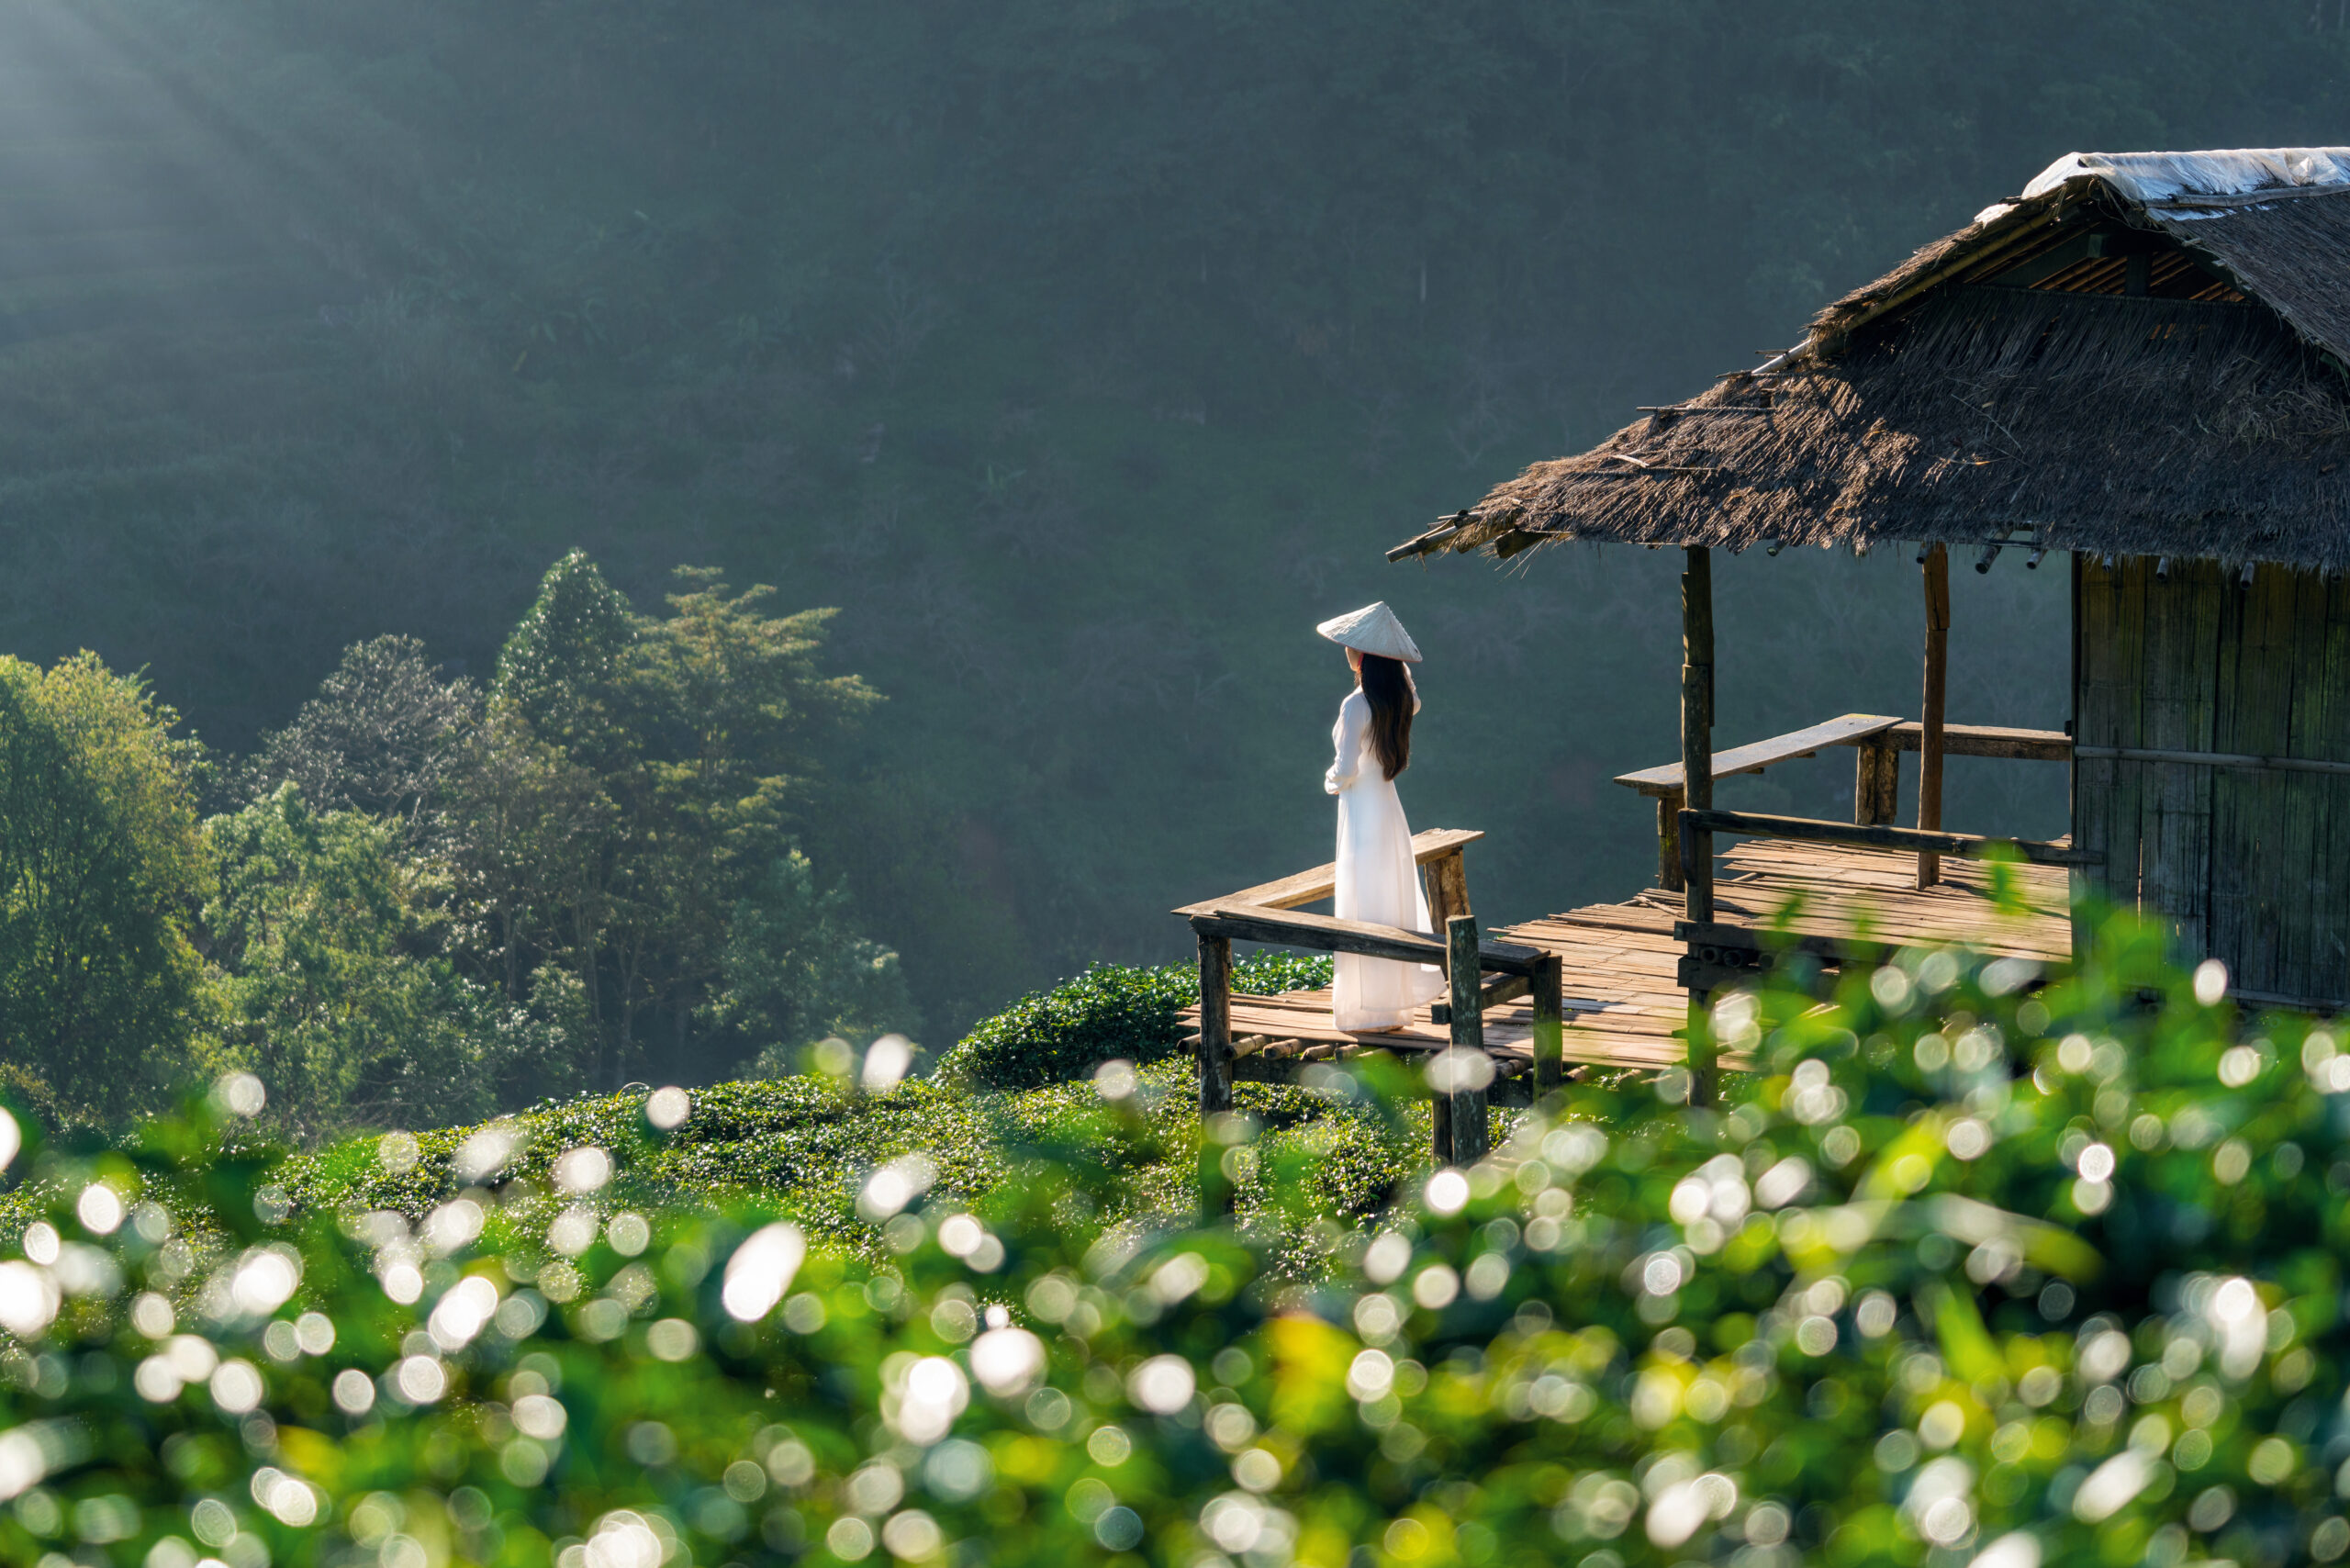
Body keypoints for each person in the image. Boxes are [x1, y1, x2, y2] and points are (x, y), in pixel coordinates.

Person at [1317, 602, 1444, 1031]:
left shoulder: (1356, 705)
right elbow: (1413, 695)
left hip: (1360, 810)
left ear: (1362, 656)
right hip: (1387, 808)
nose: (1347, 651)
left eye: (1352, 646)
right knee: (1387, 897)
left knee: (1362, 898)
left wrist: (1330, 781)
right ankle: (1391, 1008)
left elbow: (1346, 768)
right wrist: (1399, 670)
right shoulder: (1402, 699)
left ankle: (1360, 1011)